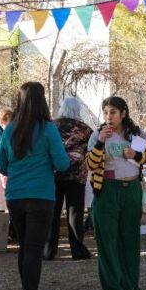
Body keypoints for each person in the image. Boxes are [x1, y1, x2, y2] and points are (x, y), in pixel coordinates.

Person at [0, 82, 70, 290]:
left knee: (25, 246)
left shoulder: (10, 128)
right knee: (34, 248)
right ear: (42, 100)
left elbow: (1, 165)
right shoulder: (48, 129)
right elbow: (63, 163)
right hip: (41, 195)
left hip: (15, 195)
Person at [86, 96, 146, 290]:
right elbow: (90, 165)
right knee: (108, 242)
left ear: (123, 113)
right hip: (106, 189)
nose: (109, 117)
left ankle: (131, 288)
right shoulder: (97, 135)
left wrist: (135, 155)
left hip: (131, 189)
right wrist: (100, 143)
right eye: (106, 112)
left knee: (130, 240)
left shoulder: (134, 134)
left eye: (113, 112)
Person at [44, 96, 93, 261]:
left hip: (54, 174)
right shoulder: (85, 129)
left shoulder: (52, 126)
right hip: (77, 175)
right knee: (75, 214)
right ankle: (78, 251)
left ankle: (48, 251)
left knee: (53, 213)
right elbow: (90, 150)